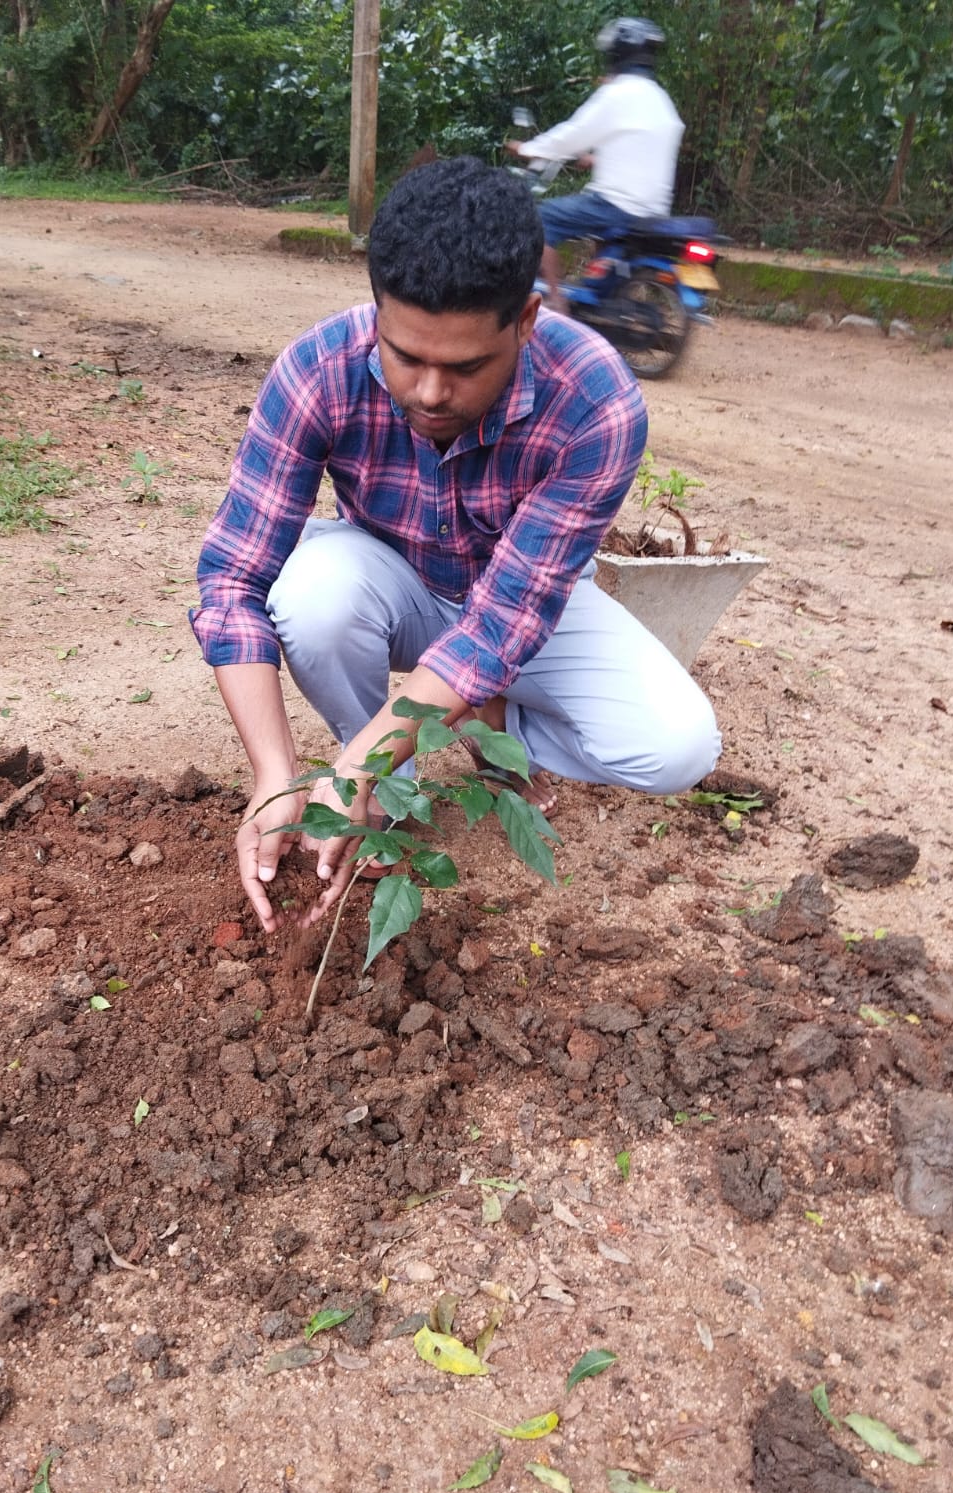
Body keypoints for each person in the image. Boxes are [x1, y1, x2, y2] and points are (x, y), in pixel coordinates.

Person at [190, 156, 719, 934]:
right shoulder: (319, 370)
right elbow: (233, 579)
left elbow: (504, 621)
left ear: (527, 320)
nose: (431, 393)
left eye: (466, 366)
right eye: (406, 357)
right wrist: (274, 774)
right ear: (377, 311)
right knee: (311, 596)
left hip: (524, 602)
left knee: (676, 747)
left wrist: (391, 741)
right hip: (391, 580)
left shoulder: (594, 400)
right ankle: (381, 773)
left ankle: (466, 727)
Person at [506, 17, 683, 308]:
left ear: (615, 54)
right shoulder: (660, 99)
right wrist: (597, 158)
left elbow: (572, 134)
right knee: (597, 224)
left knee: (541, 219)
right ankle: (599, 301)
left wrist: (529, 148)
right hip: (653, 209)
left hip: (617, 206)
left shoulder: (617, 93)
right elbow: (640, 148)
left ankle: (557, 302)